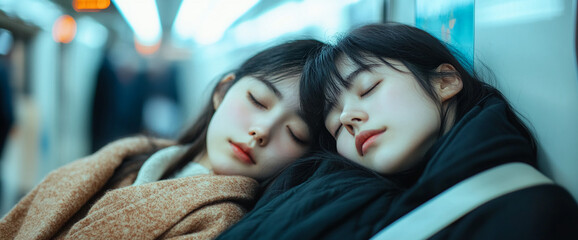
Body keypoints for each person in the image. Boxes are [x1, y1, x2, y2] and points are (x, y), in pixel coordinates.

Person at [216, 23, 578, 239]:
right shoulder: (351, 193)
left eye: (368, 89)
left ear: (445, 82)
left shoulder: (531, 210)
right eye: (333, 122)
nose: (348, 119)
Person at [0, 39, 325, 239]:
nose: (262, 131)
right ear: (222, 91)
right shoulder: (130, 156)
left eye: (295, 133)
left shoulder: (221, 222)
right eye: (257, 100)